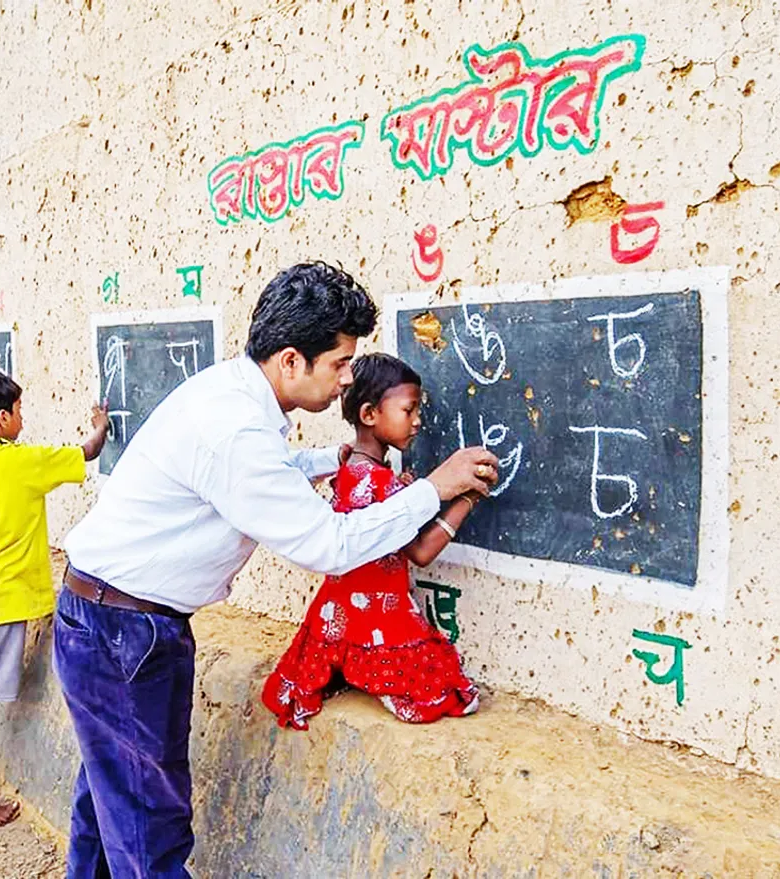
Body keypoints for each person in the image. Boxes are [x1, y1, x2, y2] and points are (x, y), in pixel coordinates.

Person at [56, 261, 498, 877]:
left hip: (111, 617)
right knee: (146, 822)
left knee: (110, 801)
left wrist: (323, 459)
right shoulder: (236, 428)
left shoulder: (235, 398)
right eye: (340, 362)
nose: (348, 379)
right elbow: (332, 544)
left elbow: (255, 478)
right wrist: (433, 488)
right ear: (292, 360)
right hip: (124, 632)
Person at [261, 353, 481, 730]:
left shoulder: (349, 468)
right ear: (369, 415)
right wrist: (466, 499)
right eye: (408, 410)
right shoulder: (381, 483)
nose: (417, 422)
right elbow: (422, 553)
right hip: (380, 615)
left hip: (338, 611)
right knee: (452, 696)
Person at [0, 369, 109, 828]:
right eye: (21, 410)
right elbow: (88, 452)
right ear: (5, 417)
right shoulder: (27, 462)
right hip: (5, 602)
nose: (23, 417)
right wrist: (101, 424)